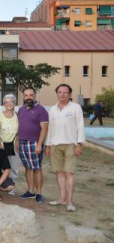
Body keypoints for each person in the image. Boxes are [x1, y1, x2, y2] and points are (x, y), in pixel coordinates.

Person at [46, 84, 85, 212]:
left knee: (69, 173)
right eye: (60, 92)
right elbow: (50, 128)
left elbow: (80, 125)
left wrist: (79, 144)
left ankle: (70, 201)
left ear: (69, 94)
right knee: (59, 172)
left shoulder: (75, 107)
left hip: (71, 144)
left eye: (65, 92)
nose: (62, 94)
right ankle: (62, 198)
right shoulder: (53, 109)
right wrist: (48, 145)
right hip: (55, 144)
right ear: (57, 93)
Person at [17, 87, 48, 203]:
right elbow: (19, 126)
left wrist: (39, 144)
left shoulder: (41, 110)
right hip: (22, 142)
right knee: (28, 168)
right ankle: (30, 190)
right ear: (23, 97)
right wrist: (17, 140)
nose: (28, 97)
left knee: (37, 168)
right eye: (26, 95)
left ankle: (39, 193)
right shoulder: (21, 109)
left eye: (31, 95)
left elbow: (44, 129)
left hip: (34, 143)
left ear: (34, 96)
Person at [0, 94, 19, 195]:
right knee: (1, 167)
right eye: (6, 102)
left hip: (13, 146)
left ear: (14, 103)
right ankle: (0, 185)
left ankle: (12, 187)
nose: (9, 104)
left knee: (14, 167)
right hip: (2, 145)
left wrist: (17, 141)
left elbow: (19, 131)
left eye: (11, 101)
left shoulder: (17, 115)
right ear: (4, 104)